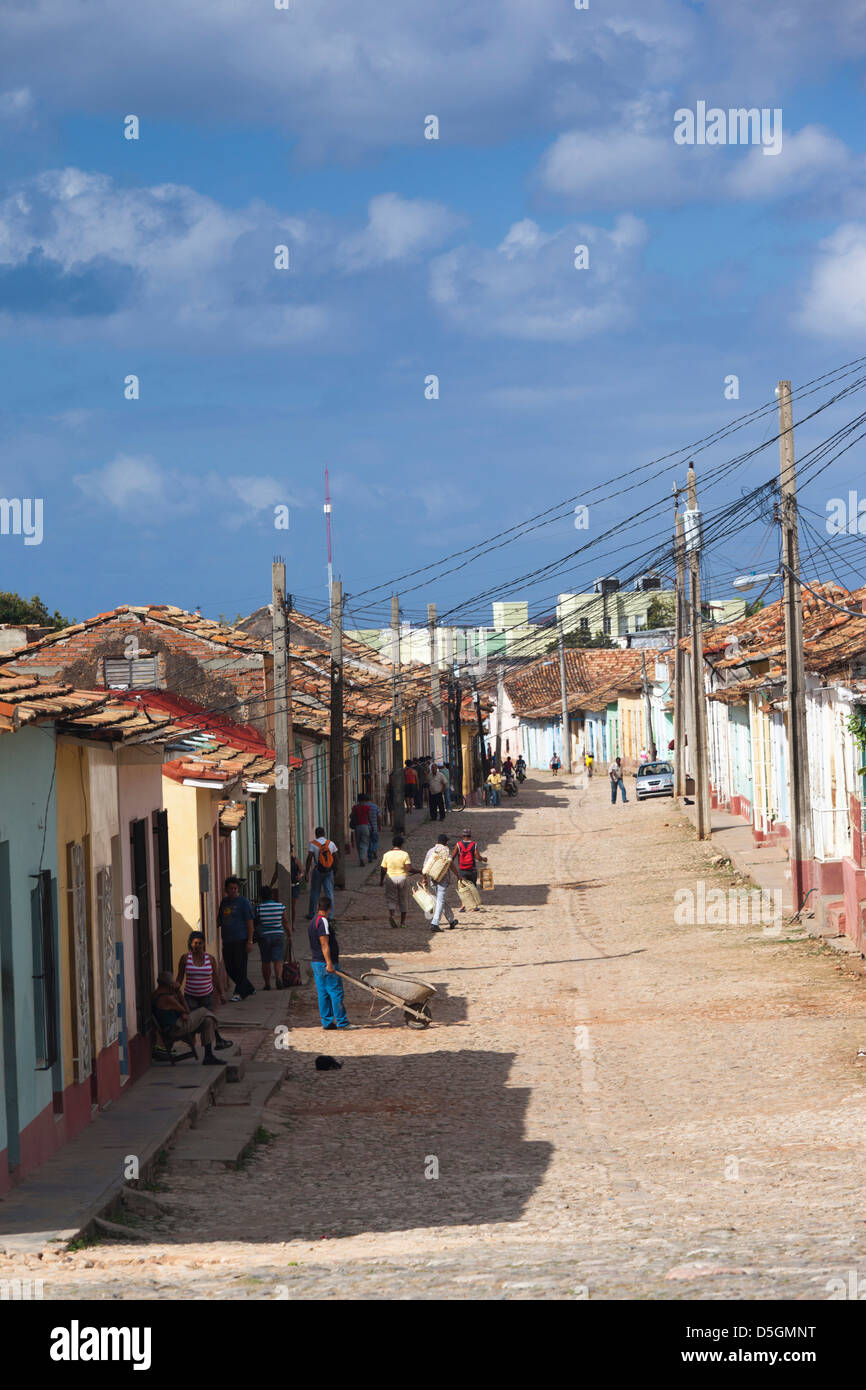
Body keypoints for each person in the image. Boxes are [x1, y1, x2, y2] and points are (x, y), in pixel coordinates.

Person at [151, 972, 230, 1065]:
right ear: (169, 985)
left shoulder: (156, 994)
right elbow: (187, 1010)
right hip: (176, 1028)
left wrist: (182, 1012)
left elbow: (178, 1010)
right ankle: (218, 1037)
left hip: (174, 1026)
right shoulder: (167, 998)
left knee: (207, 1020)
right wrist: (179, 992)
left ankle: (208, 1056)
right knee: (204, 1011)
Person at [309, 894, 354, 1030]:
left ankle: (327, 1021)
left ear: (318, 907)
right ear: (329, 908)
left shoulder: (313, 922)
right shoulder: (323, 922)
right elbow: (324, 944)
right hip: (325, 963)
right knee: (335, 992)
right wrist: (329, 963)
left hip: (317, 963)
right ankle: (342, 1021)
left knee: (323, 993)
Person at [217, 876, 255, 1001]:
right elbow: (220, 919)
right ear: (226, 890)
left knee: (240, 966)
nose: (233, 890)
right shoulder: (224, 902)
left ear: (238, 889)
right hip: (227, 940)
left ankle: (238, 993)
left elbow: (250, 922)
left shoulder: (243, 902)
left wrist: (250, 941)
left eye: (235, 888)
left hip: (241, 940)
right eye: (230, 888)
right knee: (229, 967)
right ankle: (248, 987)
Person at [176, 930, 225, 1013]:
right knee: (192, 1021)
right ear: (191, 944)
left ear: (204, 944)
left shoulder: (210, 959)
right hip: (190, 997)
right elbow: (180, 977)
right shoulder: (185, 958)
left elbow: (216, 978)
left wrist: (221, 994)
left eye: (200, 943)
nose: (197, 945)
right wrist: (175, 992)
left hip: (207, 997)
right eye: (195, 943)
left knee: (208, 1020)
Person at [379, 833, 420, 928]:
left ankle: (392, 916)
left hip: (390, 878)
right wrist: (419, 871)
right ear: (402, 844)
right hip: (403, 878)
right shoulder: (404, 854)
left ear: (393, 844)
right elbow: (409, 868)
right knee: (403, 899)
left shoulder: (386, 855)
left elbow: (383, 869)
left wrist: (381, 880)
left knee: (391, 899)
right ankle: (403, 923)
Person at [422, 833, 460, 931]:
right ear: (446, 842)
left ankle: (451, 921)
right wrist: (458, 876)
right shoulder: (446, 851)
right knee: (440, 900)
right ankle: (435, 923)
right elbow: (451, 865)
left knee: (440, 900)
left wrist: (424, 879)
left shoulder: (431, 851)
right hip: (443, 880)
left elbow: (425, 867)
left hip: (433, 879)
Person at [256, 884, 290, 990]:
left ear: (260, 896)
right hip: (278, 935)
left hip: (264, 936)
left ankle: (267, 984)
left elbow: (256, 923)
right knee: (278, 959)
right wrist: (289, 934)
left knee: (265, 961)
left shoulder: (258, 908)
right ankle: (278, 978)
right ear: (272, 895)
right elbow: (285, 922)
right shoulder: (280, 906)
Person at [305, 826, 338, 920]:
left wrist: (307, 872)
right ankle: (330, 915)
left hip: (318, 870)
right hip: (329, 871)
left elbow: (309, 858)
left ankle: (312, 914)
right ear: (324, 833)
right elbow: (336, 857)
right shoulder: (330, 843)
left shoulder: (313, 844)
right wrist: (335, 870)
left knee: (315, 893)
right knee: (329, 893)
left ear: (316, 834)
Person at [452, 830, 487, 912]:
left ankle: (463, 905)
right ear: (470, 836)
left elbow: (452, 856)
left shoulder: (458, 845)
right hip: (472, 869)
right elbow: (478, 857)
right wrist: (483, 859)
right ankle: (474, 906)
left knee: (462, 888)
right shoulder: (474, 844)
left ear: (462, 836)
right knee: (472, 887)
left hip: (462, 870)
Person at [349, 791, 372, 865]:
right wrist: (372, 826)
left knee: (358, 844)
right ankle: (362, 857)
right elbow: (368, 818)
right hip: (365, 826)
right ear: (364, 799)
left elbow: (351, 816)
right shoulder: (366, 807)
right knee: (365, 843)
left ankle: (360, 859)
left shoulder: (355, 807)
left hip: (357, 827)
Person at [366, 794, 381, 864]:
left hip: (366, 827)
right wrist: (379, 825)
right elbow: (379, 816)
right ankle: (374, 849)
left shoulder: (363, 806)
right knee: (375, 841)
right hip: (374, 827)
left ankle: (370, 855)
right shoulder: (375, 806)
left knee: (368, 842)